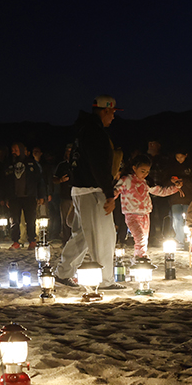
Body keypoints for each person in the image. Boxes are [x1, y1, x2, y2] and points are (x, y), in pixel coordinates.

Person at [55, 95, 123, 290]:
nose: (113, 117)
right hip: (92, 190)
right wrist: (109, 194)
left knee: (82, 236)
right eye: (112, 113)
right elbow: (99, 166)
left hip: (79, 189)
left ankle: (64, 272)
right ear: (105, 111)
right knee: (104, 236)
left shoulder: (82, 130)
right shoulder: (96, 133)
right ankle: (105, 280)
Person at [114, 154, 182, 258]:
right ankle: (140, 258)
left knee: (144, 239)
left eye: (147, 171)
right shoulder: (126, 179)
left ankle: (140, 258)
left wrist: (175, 188)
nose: (145, 174)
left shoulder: (146, 182)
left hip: (145, 214)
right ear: (134, 168)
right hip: (131, 214)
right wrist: (109, 198)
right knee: (140, 238)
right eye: (143, 171)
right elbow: (116, 190)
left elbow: (160, 191)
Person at [3, 142, 46, 249]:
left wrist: (41, 195)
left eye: (16, 150)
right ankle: (16, 241)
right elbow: (6, 183)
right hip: (14, 197)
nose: (14, 152)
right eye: (12, 150)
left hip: (29, 196)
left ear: (21, 150)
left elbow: (40, 180)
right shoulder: (9, 164)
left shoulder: (31, 163)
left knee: (31, 220)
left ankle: (32, 241)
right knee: (14, 221)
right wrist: (6, 197)